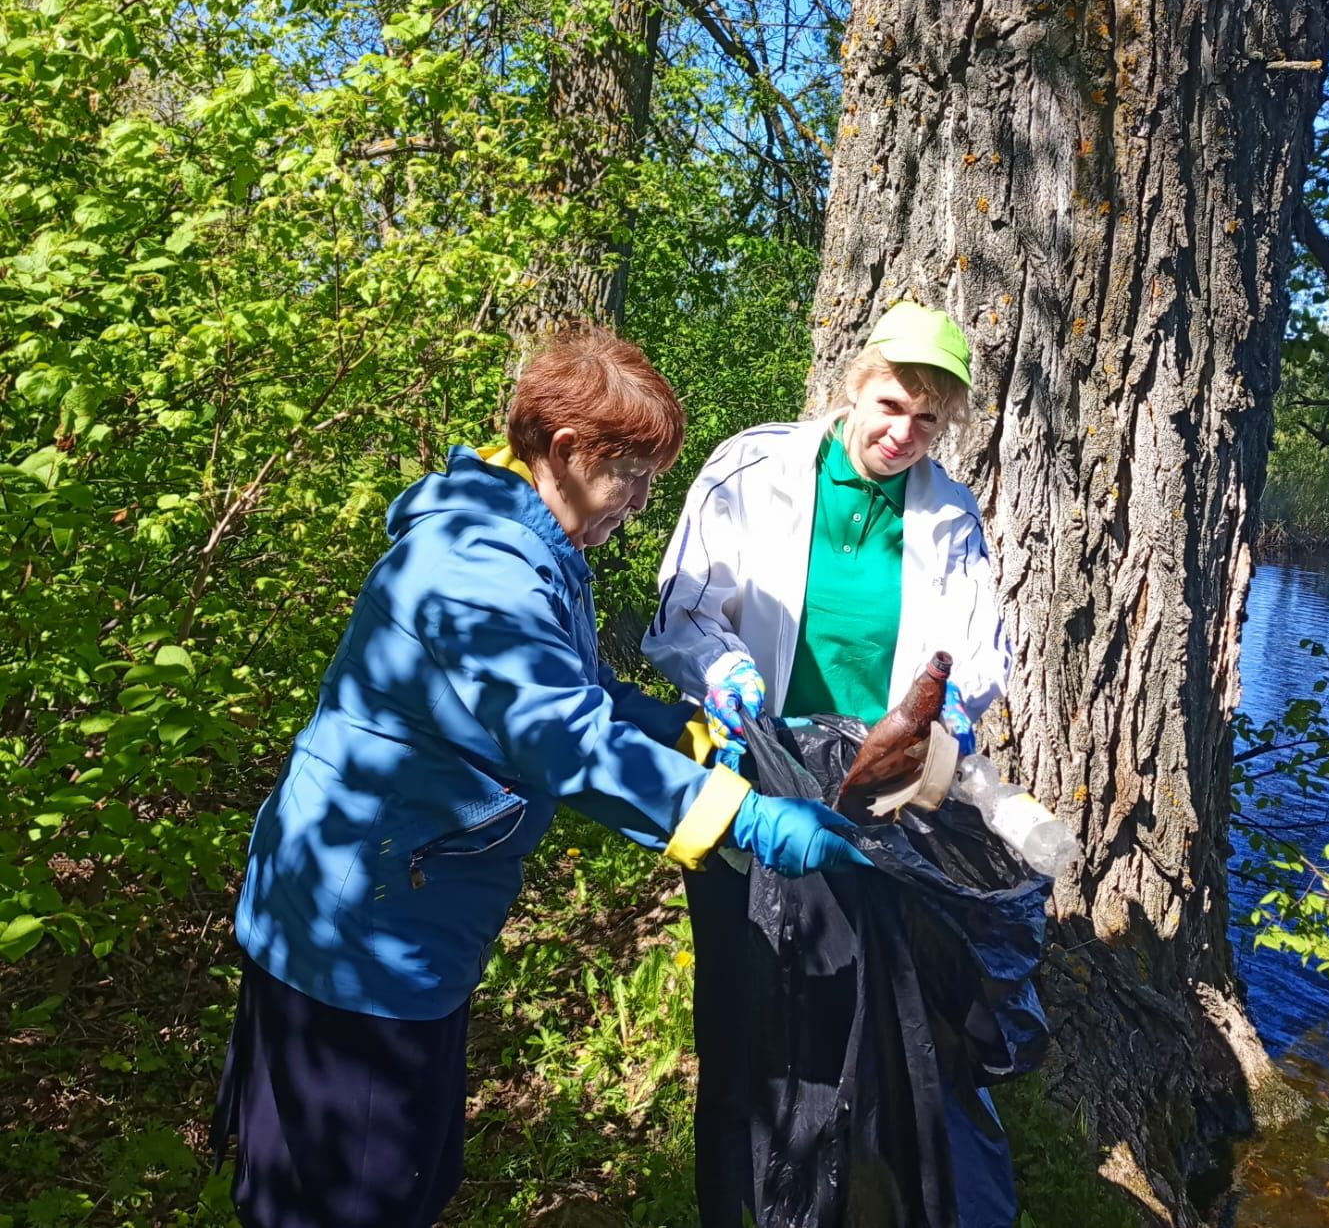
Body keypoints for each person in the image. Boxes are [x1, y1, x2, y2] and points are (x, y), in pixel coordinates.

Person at [210, 328, 867, 1228]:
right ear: (564, 451)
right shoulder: (475, 566)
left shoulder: (523, 543)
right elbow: (557, 732)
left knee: (409, 1179)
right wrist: (740, 816)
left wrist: (674, 726)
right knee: (348, 1199)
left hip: (410, 917)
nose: (636, 504)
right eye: (629, 475)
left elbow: (571, 688)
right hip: (356, 934)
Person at [644, 301, 1018, 1227]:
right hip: (753, 770)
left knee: (857, 1003)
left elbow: (979, 658)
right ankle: (739, 1197)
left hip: (876, 793)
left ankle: (843, 1196)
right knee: (746, 995)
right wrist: (720, 665)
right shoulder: (750, 466)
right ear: (855, 382)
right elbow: (680, 609)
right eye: (890, 403)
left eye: (928, 419)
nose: (902, 434)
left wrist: (953, 721)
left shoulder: (949, 513)